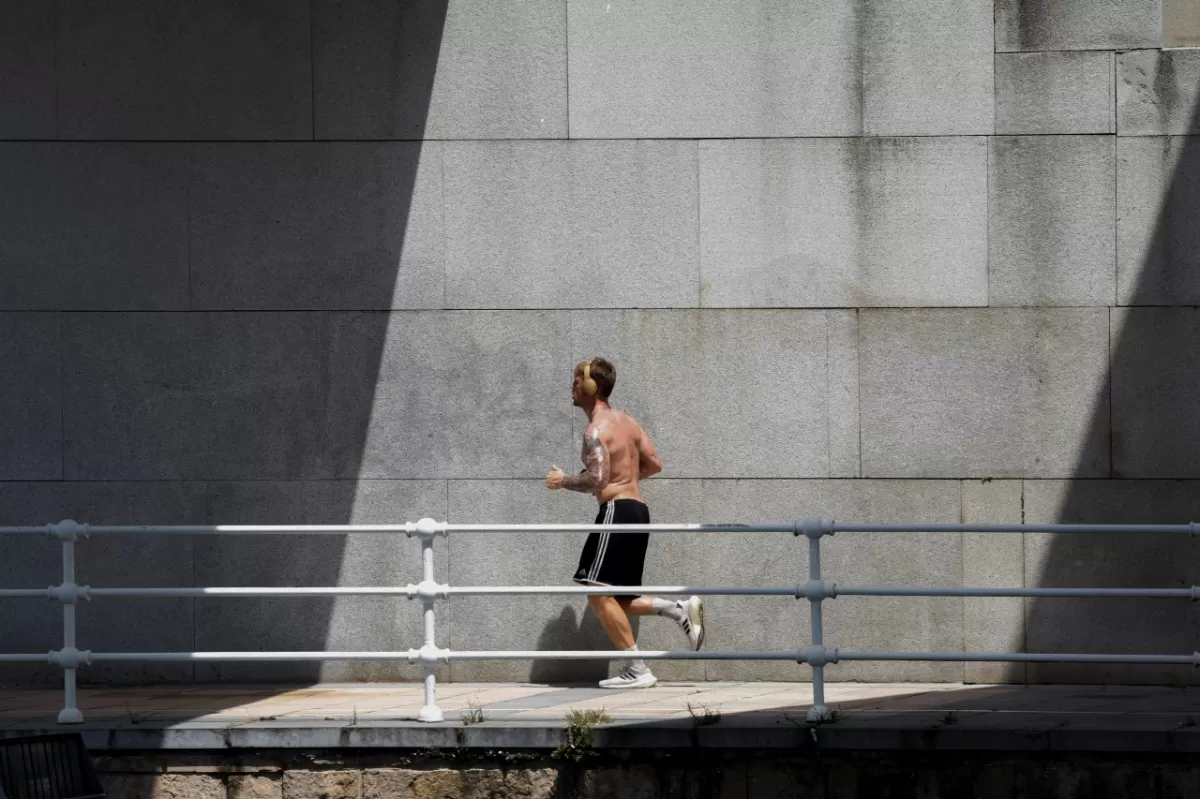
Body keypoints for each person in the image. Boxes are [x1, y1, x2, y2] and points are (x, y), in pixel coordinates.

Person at [546, 357, 704, 689]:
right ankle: (678, 610)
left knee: (597, 593)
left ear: (591, 386)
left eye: (576, 381)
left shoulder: (594, 430)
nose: (571, 387)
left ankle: (638, 668)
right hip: (637, 510)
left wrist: (562, 481)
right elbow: (655, 463)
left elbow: (598, 479)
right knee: (616, 597)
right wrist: (628, 479)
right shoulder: (628, 422)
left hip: (617, 510)